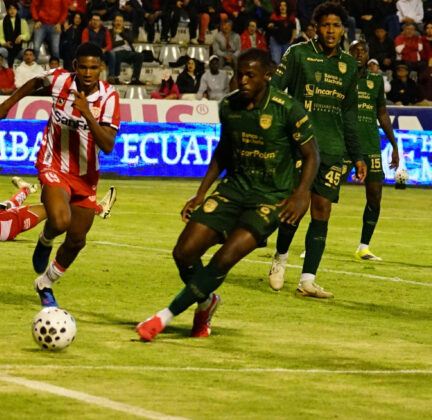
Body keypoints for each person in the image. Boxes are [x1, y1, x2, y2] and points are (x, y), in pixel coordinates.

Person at [136, 48, 319, 341]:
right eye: (239, 74)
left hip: (271, 198)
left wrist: (300, 195)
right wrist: (200, 193)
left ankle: (163, 317)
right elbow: (223, 151)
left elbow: (312, 155)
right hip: (234, 189)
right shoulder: (229, 107)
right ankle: (207, 302)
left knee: (221, 260)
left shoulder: (288, 109)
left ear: (267, 76)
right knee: (183, 253)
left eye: (250, 75)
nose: (242, 80)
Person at [0, 42, 120, 308]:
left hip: (86, 176)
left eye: (94, 67)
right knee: (60, 222)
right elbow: (35, 83)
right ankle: (46, 238)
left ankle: (45, 283)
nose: (88, 72)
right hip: (53, 164)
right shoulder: (61, 80)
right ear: (75, 67)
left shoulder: (108, 97)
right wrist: (7, 104)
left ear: (101, 68)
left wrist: (88, 115)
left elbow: (107, 145)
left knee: (77, 239)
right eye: (83, 66)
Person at [268, 2, 367, 298]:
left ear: (343, 29)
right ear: (315, 28)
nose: (332, 31)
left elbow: (349, 113)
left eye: (337, 25)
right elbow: (274, 90)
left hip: (334, 149)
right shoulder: (298, 54)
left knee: (322, 210)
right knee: (296, 208)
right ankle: (280, 260)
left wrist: (358, 155)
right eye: (326, 25)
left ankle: (308, 280)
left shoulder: (349, 65)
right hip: (301, 146)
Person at [347, 41, 400, 261]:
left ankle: (364, 247)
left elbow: (382, 114)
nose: (359, 54)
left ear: (368, 56)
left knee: (375, 196)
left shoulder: (376, 81)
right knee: (325, 196)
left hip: (369, 145)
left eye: (363, 51)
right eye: (355, 51)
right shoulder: (339, 79)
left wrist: (394, 146)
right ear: (348, 54)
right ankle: (313, 242)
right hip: (342, 144)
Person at [109, 14, 145, 85]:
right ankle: (116, 77)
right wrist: (122, 42)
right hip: (116, 52)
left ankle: (135, 78)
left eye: (120, 21)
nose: (118, 23)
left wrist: (121, 33)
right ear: (113, 22)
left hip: (128, 52)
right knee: (118, 55)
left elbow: (131, 40)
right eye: (117, 21)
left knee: (140, 55)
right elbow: (110, 44)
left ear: (123, 23)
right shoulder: (109, 32)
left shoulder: (127, 31)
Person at [0, 2, 31, 68]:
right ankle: (6, 70)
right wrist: (5, 43)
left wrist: (21, 37)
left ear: (17, 10)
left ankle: (25, 71)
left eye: (14, 9)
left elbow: (27, 36)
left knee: (28, 52)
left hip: (19, 49)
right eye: (10, 9)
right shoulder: (1, 22)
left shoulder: (22, 21)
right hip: (7, 49)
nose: (12, 11)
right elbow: (0, 37)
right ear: (7, 10)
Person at [81, 13, 113, 81]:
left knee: (111, 54)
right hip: (91, 51)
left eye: (97, 20)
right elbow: (85, 43)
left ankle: (112, 76)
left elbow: (109, 44)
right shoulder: (86, 30)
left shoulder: (105, 30)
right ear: (91, 21)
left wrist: (104, 49)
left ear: (100, 21)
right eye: (93, 20)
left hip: (102, 51)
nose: (95, 22)